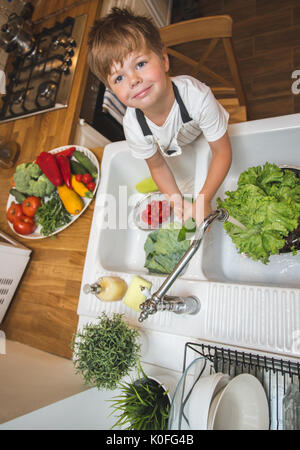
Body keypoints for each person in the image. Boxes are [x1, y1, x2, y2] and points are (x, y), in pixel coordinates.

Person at [87, 8, 232, 224]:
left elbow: (222, 151)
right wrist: (177, 202)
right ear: (111, 90)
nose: (133, 80)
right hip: (187, 151)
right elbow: (157, 166)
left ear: (164, 60)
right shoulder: (133, 127)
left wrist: (203, 199)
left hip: (216, 137)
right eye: (119, 78)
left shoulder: (196, 97)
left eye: (140, 64)